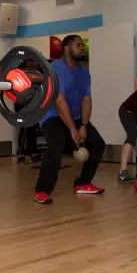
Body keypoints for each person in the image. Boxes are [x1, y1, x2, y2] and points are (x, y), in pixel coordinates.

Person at [33, 35, 106, 204]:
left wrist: (84, 126)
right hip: (51, 115)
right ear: (66, 48)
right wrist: (73, 130)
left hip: (75, 115)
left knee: (98, 144)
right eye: (78, 45)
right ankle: (42, 190)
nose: (82, 48)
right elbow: (59, 101)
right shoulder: (56, 67)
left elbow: (86, 100)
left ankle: (82, 183)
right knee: (55, 145)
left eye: (83, 45)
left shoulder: (84, 72)